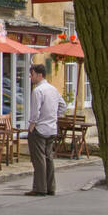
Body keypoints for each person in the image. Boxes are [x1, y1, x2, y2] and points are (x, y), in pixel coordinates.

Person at [27, 64, 62, 195]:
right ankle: (51, 187)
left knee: (39, 159)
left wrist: (32, 125)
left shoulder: (38, 91)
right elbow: (62, 105)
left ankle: (40, 188)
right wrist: (54, 116)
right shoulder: (53, 89)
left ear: (39, 75)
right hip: (52, 128)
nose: (31, 77)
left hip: (40, 128)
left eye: (32, 75)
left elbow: (35, 111)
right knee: (49, 158)